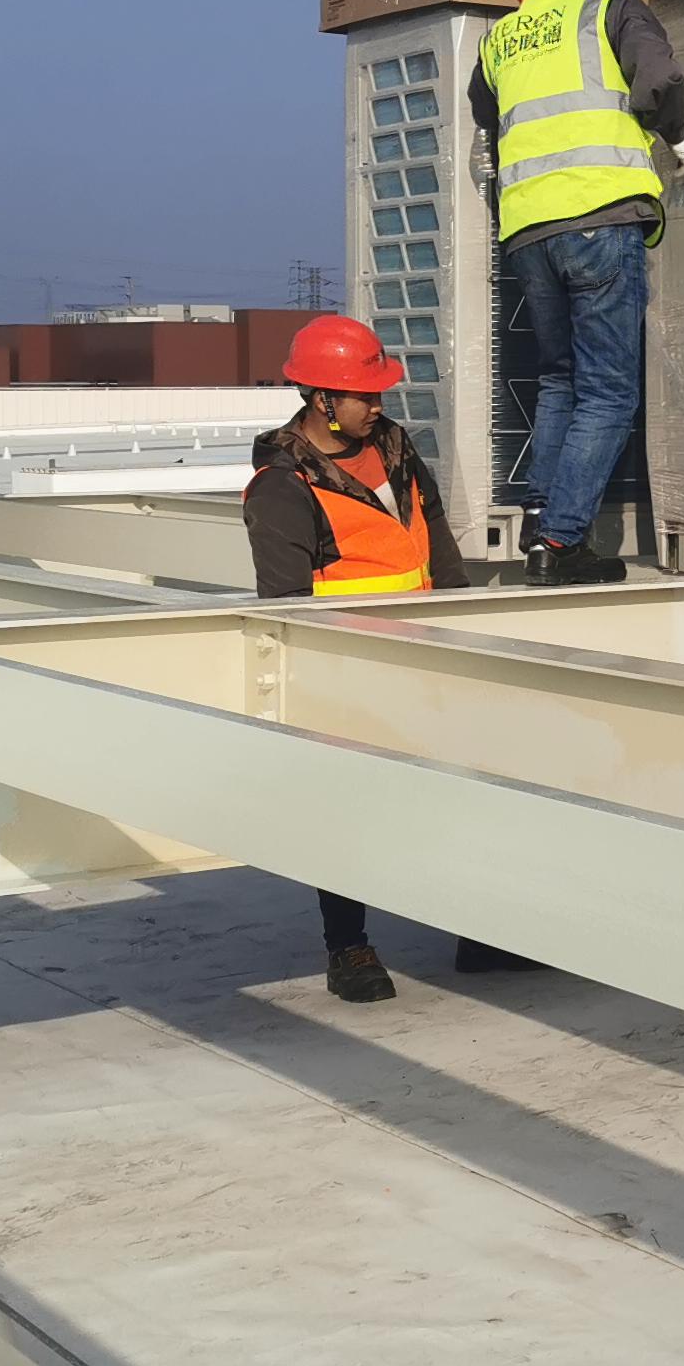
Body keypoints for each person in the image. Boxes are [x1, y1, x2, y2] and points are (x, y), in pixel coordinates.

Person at [242, 315, 528, 1003]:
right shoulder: (282, 488)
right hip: (347, 673)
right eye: (364, 396)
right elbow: (285, 603)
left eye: (378, 395)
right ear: (320, 401)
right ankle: (349, 947)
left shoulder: (397, 452)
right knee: (346, 810)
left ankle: (479, 931)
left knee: (461, 791)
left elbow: (439, 551)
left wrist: (463, 637)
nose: (378, 406)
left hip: (425, 659)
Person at [468, 0, 684, 585]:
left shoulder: (496, 41)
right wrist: (680, 139)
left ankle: (542, 519)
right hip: (599, 216)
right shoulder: (611, 9)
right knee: (608, 392)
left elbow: (488, 118)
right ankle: (563, 543)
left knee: (560, 381)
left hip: (529, 233)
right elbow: (657, 82)